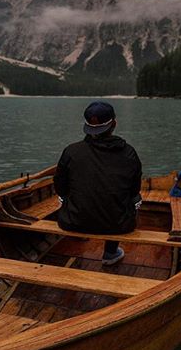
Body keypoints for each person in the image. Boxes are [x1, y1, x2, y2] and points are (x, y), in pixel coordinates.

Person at [53, 101, 142, 266]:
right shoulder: (129, 153)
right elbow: (134, 190)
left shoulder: (71, 151)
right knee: (136, 198)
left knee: (66, 196)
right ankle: (110, 253)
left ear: (86, 126)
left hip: (72, 222)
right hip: (118, 225)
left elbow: (60, 187)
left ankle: (80, 234)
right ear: (114, 124)